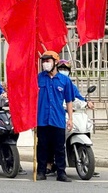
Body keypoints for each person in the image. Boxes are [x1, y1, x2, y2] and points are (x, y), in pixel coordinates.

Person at [36, 51, 75, 182]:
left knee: (59, 147)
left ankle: (61, 173)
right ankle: (41, 171)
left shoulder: (65, 81)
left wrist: (70, 119)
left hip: (57, 119)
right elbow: (32, 96)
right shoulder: (38, 78)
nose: (45, 64)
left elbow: (69, 100)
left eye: (48, 61)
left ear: (55, 62)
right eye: (44, 61)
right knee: (42, 146)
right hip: (42, 119)